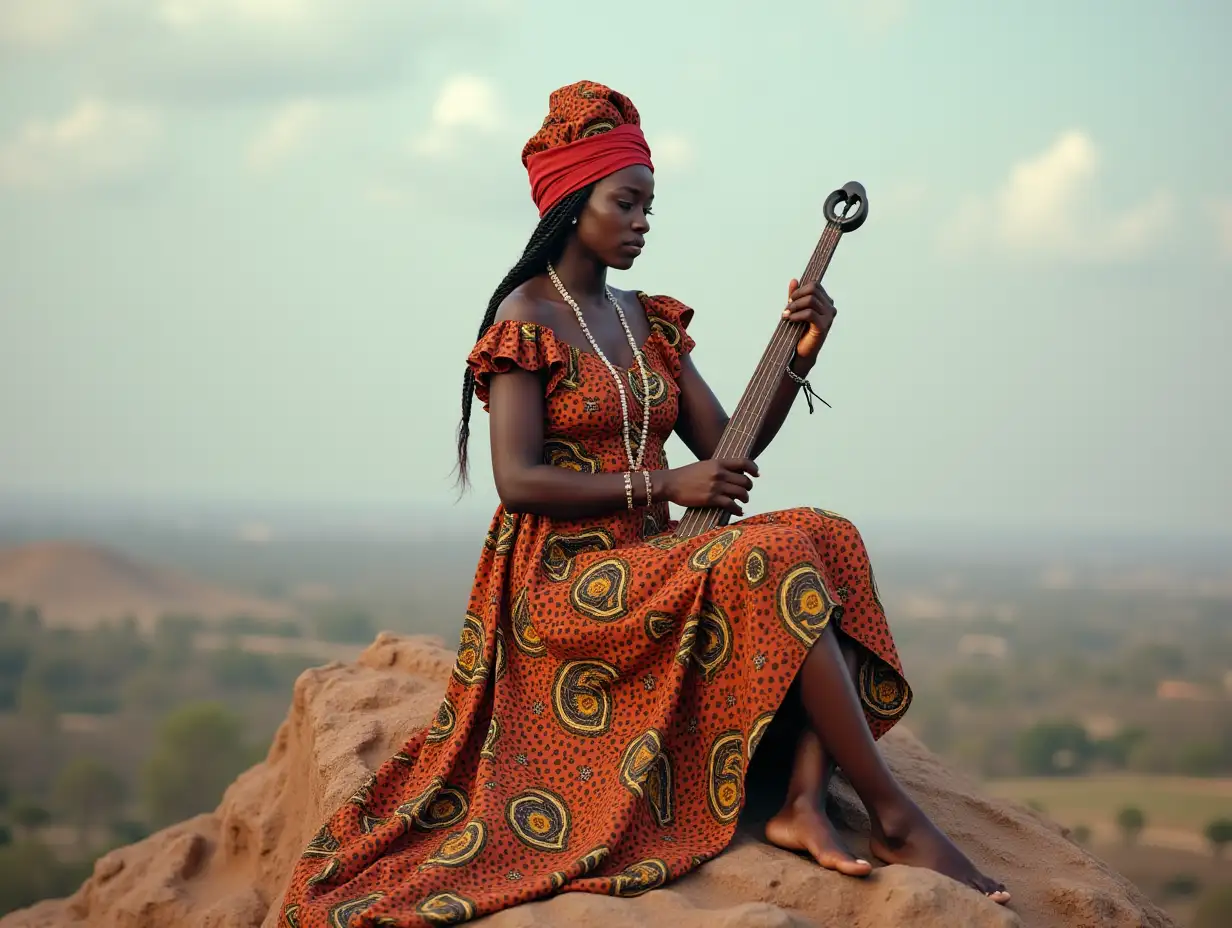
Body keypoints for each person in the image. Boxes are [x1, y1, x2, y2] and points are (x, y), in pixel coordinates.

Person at [279, 79, 1009, 928]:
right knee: (764, 555)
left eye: (648, 205)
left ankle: (804, 798)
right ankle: (894, 817)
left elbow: (725, 446)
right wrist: (660, 486)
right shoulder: (526, 319)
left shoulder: (643, 318)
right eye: (625, 202)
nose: (641, 221)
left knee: (825, 535)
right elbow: (518, 480)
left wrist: (801, 350)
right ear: (572, 203)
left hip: (654, 556)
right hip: (561, 584)